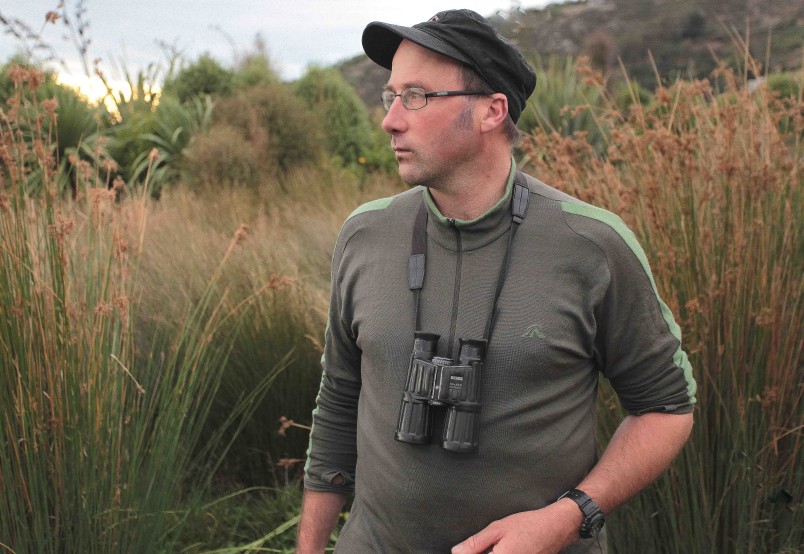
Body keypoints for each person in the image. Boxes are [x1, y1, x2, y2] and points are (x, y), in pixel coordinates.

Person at [296, 9, 696, 554]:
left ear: (491, 110)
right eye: (390, 96)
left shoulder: (592, 245)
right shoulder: (365, 234)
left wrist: (569, 517)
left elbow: (665, 408)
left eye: (416, 96)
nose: (390, 120)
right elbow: (339, 402)